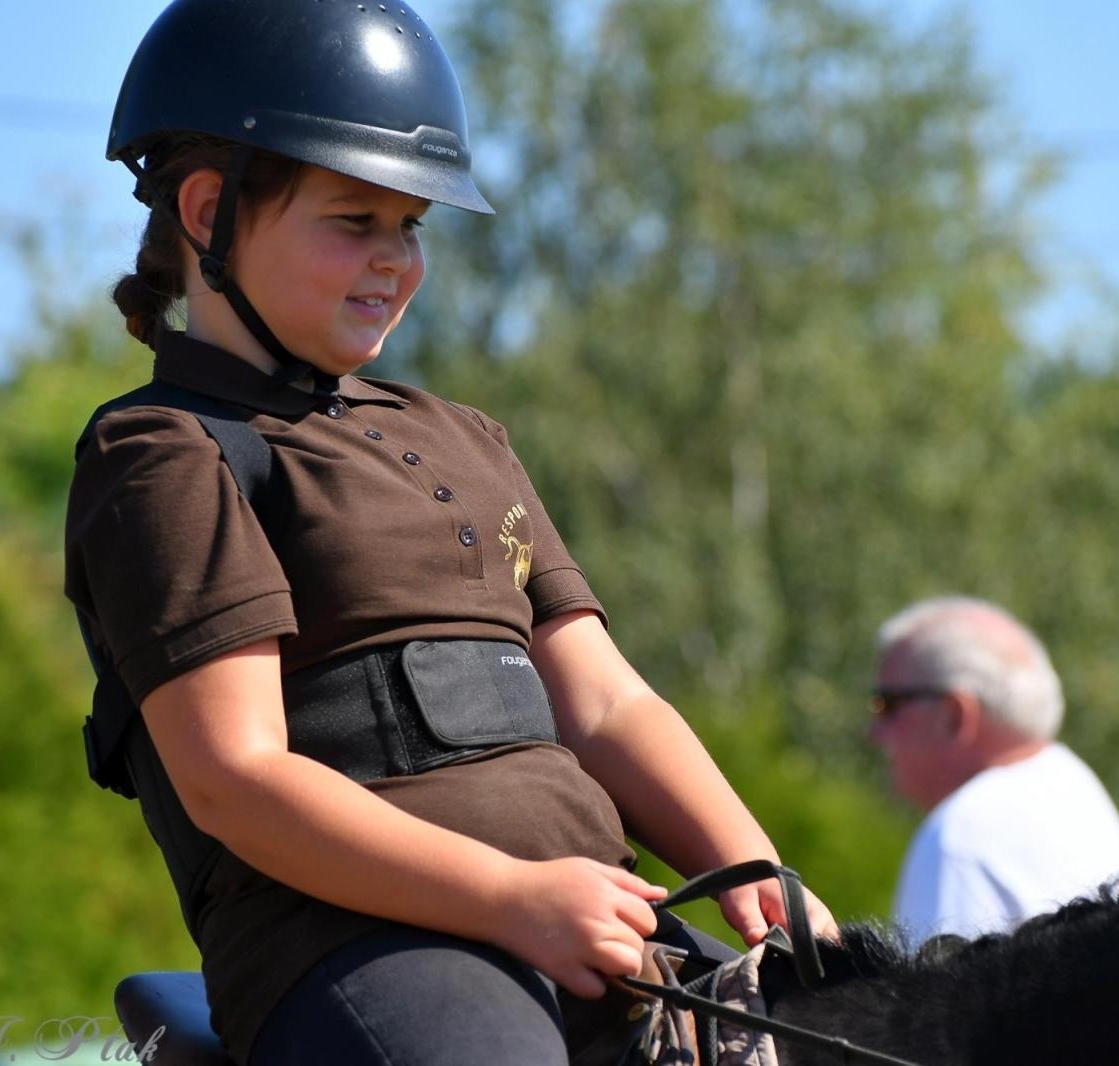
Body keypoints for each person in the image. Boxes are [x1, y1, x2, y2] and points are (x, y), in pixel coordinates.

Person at [62, 3, 833, 1064]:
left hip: (593, 918)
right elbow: (233, 776)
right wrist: (511, 897)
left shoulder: (462, 435)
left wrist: (759, 872)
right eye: (352, 220)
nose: (394, 261)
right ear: (207, 212)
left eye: (410, 225)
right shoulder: (165, 451)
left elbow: (604, 700)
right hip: (356, 944)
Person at [868, 596, 1119, 942]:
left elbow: (941, 996)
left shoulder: (963, 834)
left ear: (953, 716)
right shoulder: (1074, 786)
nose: (873, 732)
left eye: (887, 704)